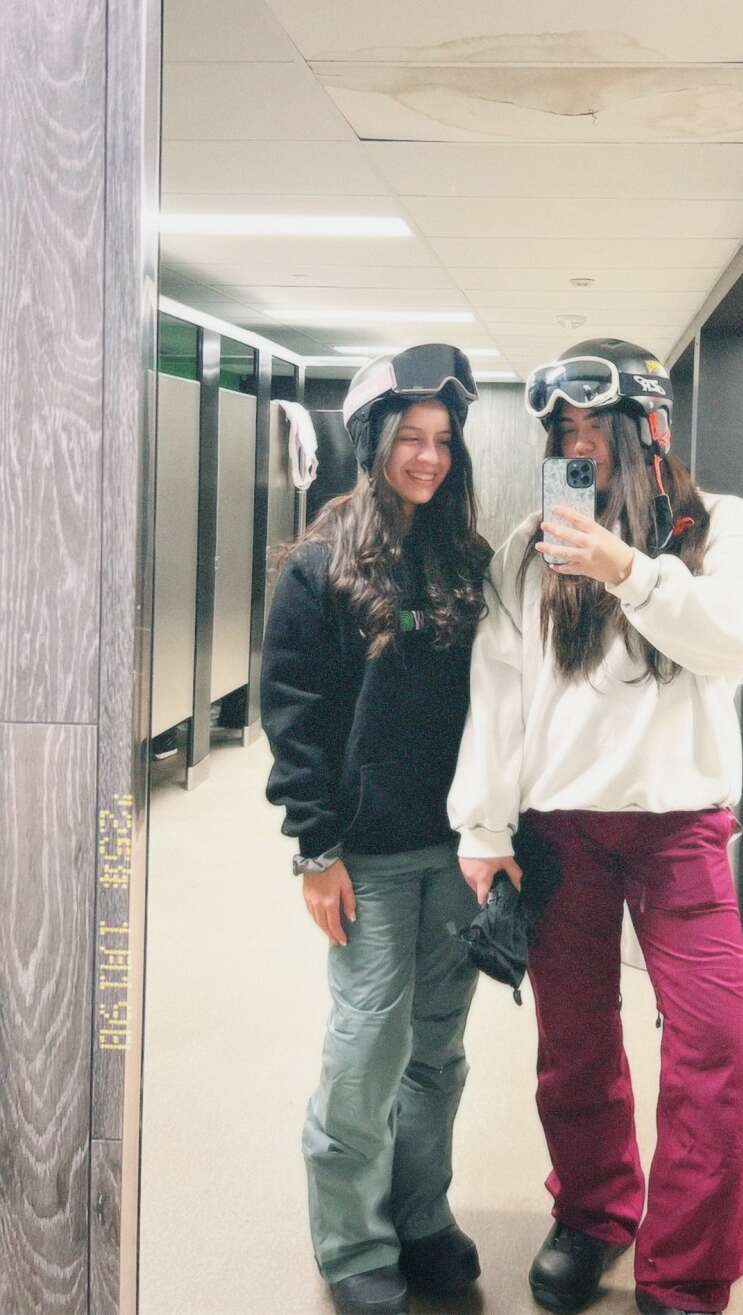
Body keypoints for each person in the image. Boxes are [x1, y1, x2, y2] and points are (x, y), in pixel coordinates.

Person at [448, 339, 743, 1315]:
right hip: (561, 829)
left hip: (680, 830)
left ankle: (685, 1269)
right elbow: (497, 690)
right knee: (575, 1041)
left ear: (649, 429)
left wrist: (628, 570)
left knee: (715, 1048)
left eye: (596, 425)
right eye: (563, 429)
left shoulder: (718, 527)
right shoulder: (530, 549)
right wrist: (483, 826)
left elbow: (731, 636)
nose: (577, 444)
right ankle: (594, 1212)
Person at [261, 344, 490, 1315]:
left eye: (442, 439)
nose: (428, 457)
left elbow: (499, 708)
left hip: (457, 849)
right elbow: (295, 715)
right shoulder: (317, 568)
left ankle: (419, 1214)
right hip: (366, 853)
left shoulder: (469, 561)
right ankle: (353, 1238)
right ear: (371, 442)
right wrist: (314, 848)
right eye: (410, 438)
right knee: (367, 1048)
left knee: (437, 1049)